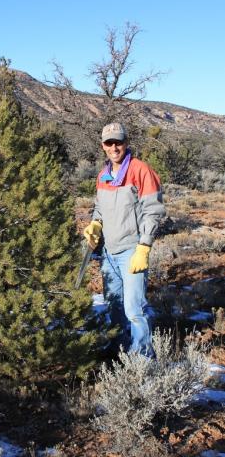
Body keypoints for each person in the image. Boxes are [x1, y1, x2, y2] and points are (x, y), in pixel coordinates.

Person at [84, 122, 165, 357]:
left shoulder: (141, 170)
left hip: (132, 251)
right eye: (109, 143)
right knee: (114, 307)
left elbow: (153, 211)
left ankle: (142, 359)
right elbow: (99, 207)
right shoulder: (103, 175)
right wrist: (95, 223)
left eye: (118, 142)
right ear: (103, 146)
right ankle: (118, 347)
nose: (114, 147)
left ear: (126, 143)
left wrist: (144, 246)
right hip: (108, 253)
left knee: (134, 309)